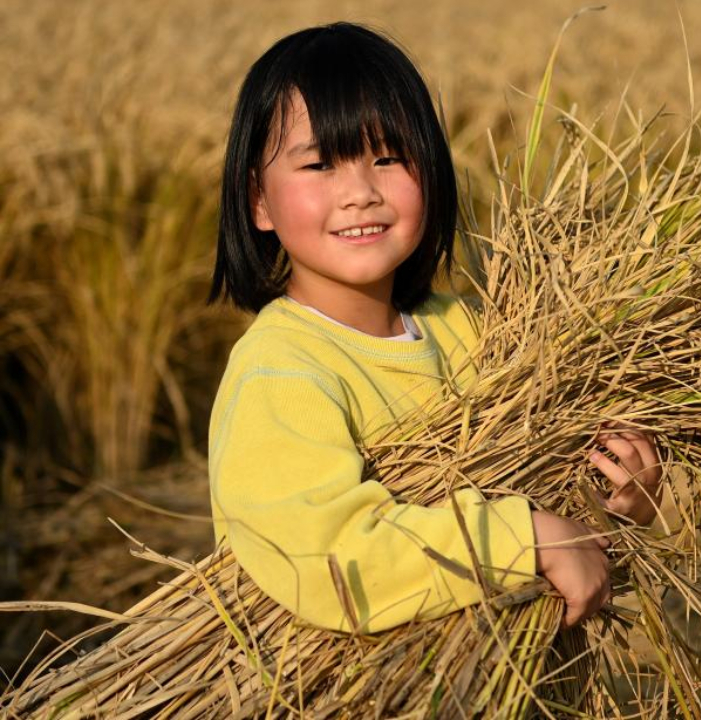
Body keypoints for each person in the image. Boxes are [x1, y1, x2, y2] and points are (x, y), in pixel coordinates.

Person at [205, 22, 662, 634]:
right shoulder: (280, 374)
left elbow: (564, 525)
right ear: (258, 201)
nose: (360, 193)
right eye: (319, 165)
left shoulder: (464, 330)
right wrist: (520, 537)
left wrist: (625, 501)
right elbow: (334, 563)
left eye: (388, 158)